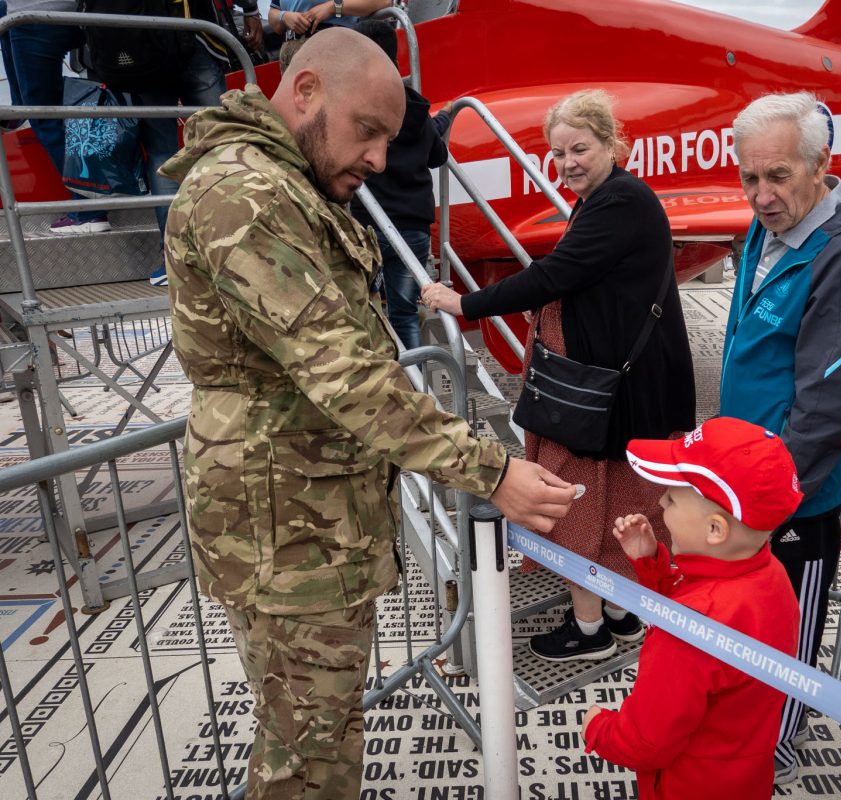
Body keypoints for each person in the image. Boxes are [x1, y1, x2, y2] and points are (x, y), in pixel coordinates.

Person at [159, 27, 575, 800]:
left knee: (318, 740)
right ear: (307, 90)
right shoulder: (244, 196)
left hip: (309, 529)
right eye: (369, 131)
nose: (381, 160)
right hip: (288, 542)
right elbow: (343, 373)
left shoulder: (286, 186)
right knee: (307, 766)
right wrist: (491, 471)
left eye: (389, 138)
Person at [422, 89, 696, 662]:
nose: (568, 163)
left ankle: (589, 629)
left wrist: (465, 304)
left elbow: (555, 274)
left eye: (581, 149)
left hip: (600, 396)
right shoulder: (609, 199)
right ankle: (621, 614)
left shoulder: (619, 201)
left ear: (613, 143)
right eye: (558, 153)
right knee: (623, 500)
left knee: (573, 507)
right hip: (621, 390)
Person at [718, 91, 841, 784]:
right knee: (744, 625)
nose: (762, 195)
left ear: (821, 165)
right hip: (745, 482)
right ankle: (747, 727)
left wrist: (768, 502)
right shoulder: (767, 228)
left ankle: (778, 745)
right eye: (749, 177)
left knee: (787, 632)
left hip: (792, 494)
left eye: (777, 176)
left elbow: (824, 406)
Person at [581, 416, 802, 800]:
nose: (661, 501)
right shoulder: (771, 575)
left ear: (715, 530)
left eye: (673, 496)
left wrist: (598, 728)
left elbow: (647, 742)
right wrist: (651, 562)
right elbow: (703, 597)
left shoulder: (689, 631)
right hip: (745, 779)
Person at [136, 0, 265, 285]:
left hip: (143, 40)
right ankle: (234, 250)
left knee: (162, 154)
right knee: (221, 143)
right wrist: (251, 10)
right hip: (196, 33)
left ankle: (174, 258)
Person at [349, 18, 449, 350]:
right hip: (413, 229)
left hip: (370, 225)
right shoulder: (415, 106)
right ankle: (417, 388)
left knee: (361, 311)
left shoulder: (355, 108)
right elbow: (438, 155)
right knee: (405, 314)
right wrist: (443, 120)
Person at [0, 0, 110, 233]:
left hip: (32, 16)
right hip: (72, 13)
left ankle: (89, 210)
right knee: (50, 106)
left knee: (45, 116)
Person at [267, 0, 390, 41]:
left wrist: (333, 7)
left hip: (336, 47)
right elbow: (273, 15)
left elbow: (384, 2)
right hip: (292, 54)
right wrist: (283, 16)